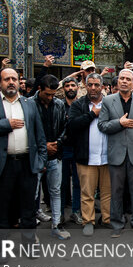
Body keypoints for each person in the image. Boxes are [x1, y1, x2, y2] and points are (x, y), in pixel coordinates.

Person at [0, 67, 47, 257]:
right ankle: (0, 250)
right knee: (0, 209)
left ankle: (29, 244)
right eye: (6, 79)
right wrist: (5, 125)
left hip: (27, 163)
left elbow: (39, 134)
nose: (11, 82)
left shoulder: (29, 104)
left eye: (14, 79)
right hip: (2, 165)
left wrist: (41, 159)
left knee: (28, 208)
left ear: (19, 82)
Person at [97, 69, 133, 236]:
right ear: (117, 82)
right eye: (122, 79)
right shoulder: (108, 101)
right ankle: (117, 224)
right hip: (116, 153)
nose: (124, 81)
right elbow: (102, 125)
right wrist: (120, 123)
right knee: (116, 191)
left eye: (128, 79)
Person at [67, 73, 112, 236]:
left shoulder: (109, 103)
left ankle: (107, 219)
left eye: (96, 85)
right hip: (86, 157)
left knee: (107, 192)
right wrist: (92, 114)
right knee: (87, 193)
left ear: (102, 86)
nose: (93, 88)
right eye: (90, 85)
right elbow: (72, 126)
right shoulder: (78, 105)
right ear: (85, 86)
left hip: (107, 157)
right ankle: (88, 220)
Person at [32, 74, 70, 239]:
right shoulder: (29, 105)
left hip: (55, 155)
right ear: (39, 89)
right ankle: (30, 232)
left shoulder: (59, 105)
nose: (50, 97)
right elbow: (27, 132)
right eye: (47, 94)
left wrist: (56, 144)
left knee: (55, 190)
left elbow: (65, 128)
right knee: (33, 192)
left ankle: (56, 225)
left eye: (53, 94)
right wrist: (43, 147)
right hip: (35, 156)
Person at [60, 77, 82, 225]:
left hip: (78, 147)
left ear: (77, 88)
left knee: (78, 182)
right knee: (61, 183)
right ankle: (59, 213)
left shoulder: (81, 106)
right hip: (62, 148)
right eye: (67, 86)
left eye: (73, 85)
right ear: (63, 89)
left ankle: (76, 211)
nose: (70, 88)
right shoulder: (59, 105)